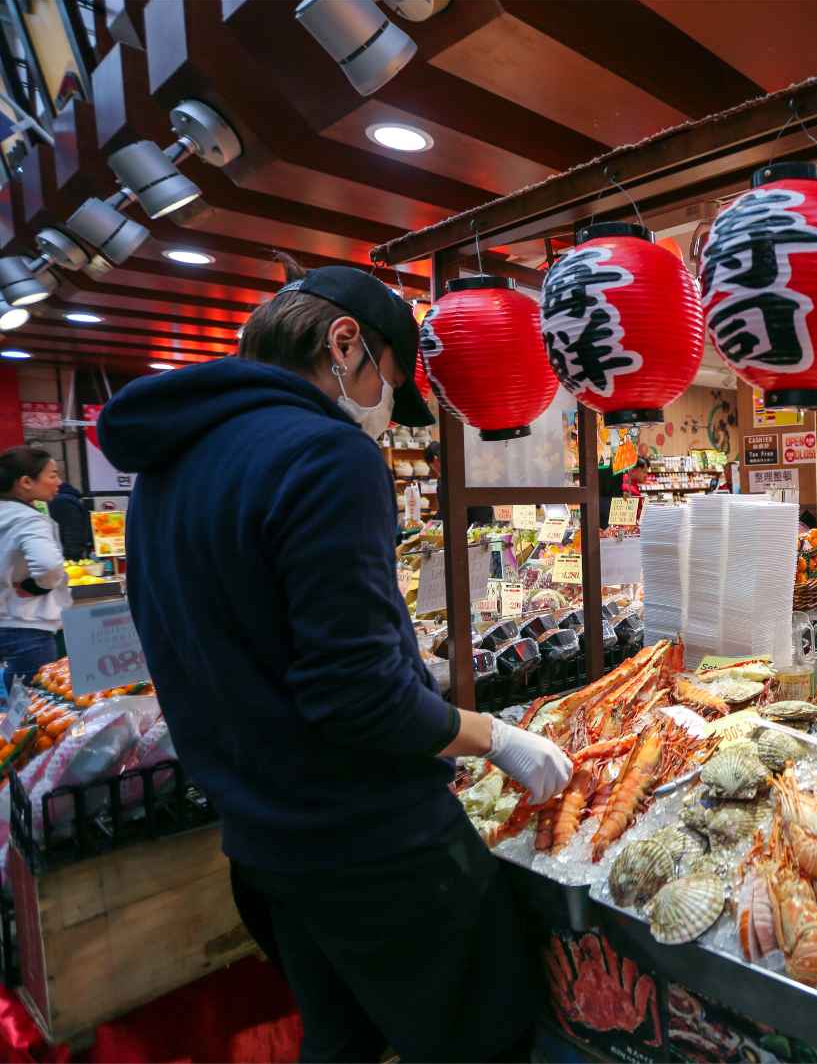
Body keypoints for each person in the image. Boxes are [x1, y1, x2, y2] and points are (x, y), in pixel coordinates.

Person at [97, 262, 573, 1062]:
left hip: (261, 846)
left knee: (342, 1042)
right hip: (374, 849)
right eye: (391, 380)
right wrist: (495, 736)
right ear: (343, 341)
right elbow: (358, 696)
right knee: (486, 1037)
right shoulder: (326, 455)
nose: (388, 411)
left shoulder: (164, 470)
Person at [0, 448, 69, 684]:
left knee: (11, 710)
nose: (58, 481)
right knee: (35, 707)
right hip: (27, 625)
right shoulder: (29, 519)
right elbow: (48, 565)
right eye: (52, 475)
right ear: (26, 482)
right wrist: (38, 586)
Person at [425, 440, 494, 524]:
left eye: (432, 466)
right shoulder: (462, 464)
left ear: (435, 459)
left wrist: (432, 523)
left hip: (469, 523)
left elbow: (446, 509)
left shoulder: (447, 477)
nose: (434, 470)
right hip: (483, 518)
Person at [47, 481, 91, 561]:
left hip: (69, 556)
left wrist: (70, 558)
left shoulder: (62, 501)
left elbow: (72, 530)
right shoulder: (67, 498)